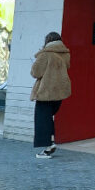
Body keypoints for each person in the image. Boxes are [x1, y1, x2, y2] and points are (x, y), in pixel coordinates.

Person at [31, 31, 71, 159]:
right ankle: (51, 141)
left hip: (45, 92)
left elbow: (35, 72)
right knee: (49, 119)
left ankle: (47, 147)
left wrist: (40, 54)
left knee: (42, 119)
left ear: (47, 41)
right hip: (59, 92)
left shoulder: (46, 54)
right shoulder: (65, 54)